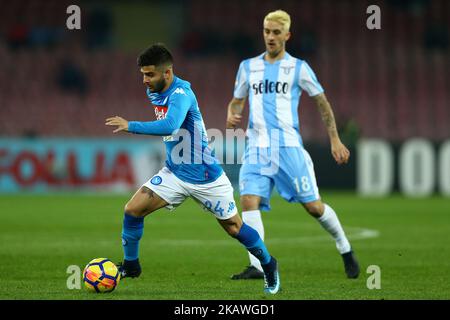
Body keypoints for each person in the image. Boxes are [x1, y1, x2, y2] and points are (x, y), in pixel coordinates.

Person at [105, 43, 280, 294]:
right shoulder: (154, 90)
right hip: (174, 173)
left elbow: (171, 125)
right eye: (143, 74)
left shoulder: (182, 93)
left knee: (234, 228)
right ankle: (132, 266)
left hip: (205, 177)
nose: (144, 80)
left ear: (167, 73)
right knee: (132, 210)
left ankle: (268, 263)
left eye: (149, 74)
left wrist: (129, 124)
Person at [226, 10, 360, 280]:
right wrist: (231, 112)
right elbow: (237, 99)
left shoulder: (298, 68)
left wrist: (334, 138)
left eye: (276, 32)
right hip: (257, 147)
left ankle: (344, 247)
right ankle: (257, 265)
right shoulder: (247, 67)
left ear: (287, 35)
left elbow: (322, 102)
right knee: (248, 201)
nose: (271, 37)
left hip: (288, 148)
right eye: (266, 31)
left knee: (313, 207)